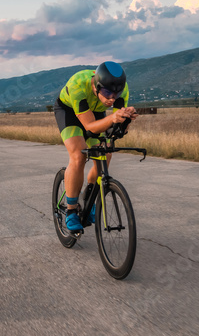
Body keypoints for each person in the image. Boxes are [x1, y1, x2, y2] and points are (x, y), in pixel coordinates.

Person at [54, 61, 138, 233]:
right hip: (69, 111)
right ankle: (71, 210)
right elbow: (90, 127)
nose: (112, 99)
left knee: (105, 154)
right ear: (97, 86)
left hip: (95, 111)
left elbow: (116, 127)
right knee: (79, 155)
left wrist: (126, 121)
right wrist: (113, 118)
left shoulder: (120, 90)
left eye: (116, 94)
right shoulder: (78, 84)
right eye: (107, 93)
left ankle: (90, 195)